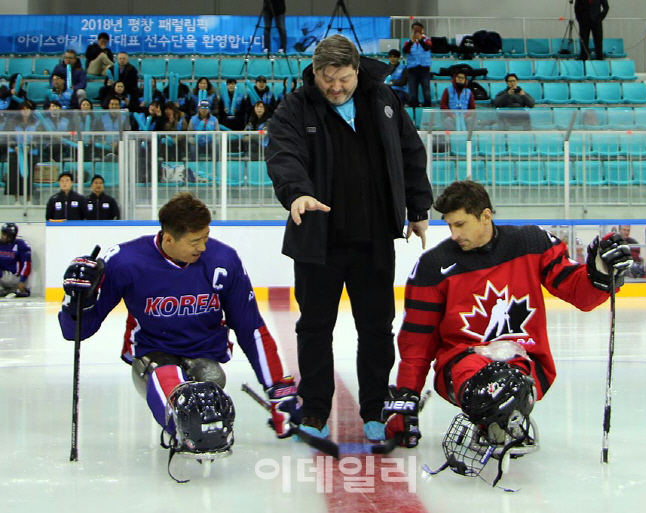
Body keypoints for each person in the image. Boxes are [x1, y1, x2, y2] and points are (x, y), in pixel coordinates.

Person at [382, 181, 633, 477]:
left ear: (485, 215)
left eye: (461, 224)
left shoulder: (531, 243)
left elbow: (579, 293)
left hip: (524, 359)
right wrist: (406, 398)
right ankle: (495, 421)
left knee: (508, 383)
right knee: (489, 384)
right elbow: (417, 340)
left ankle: (503, 420)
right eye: (450, 226)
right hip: (461, 362)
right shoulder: (433, 265)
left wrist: (600, 274)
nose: (454, 234)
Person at [266, 34, 433, 441]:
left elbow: (410, 153)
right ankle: (315, 409)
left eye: (342, 78)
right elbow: (283, 155)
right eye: (327, 79)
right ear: (315, 73)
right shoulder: (296, 107)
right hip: (318, 240)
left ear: (356, 70)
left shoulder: (384, 101)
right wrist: (298, 192)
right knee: (315, 328)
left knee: (376, 328)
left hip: (374, 238)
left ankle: (376, 407)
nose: (335, 87)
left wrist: (419, 208)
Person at [58, 193, 301, 460]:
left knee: (208, 381)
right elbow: (77, 332)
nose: (203, 248)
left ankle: (194, 425)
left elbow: (251, 328)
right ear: (168, 238)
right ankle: (182, 427)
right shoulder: (125, 261)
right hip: (153, 355)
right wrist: (77, 300)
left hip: (204, 357)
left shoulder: (225, 260)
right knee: (172, 383)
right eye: (195, 241)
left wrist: (278, 388)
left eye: (206, 237)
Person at [403, 22, 433, 107]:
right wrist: (411, 42)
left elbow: (427, 48)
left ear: (422, 30)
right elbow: (405, 50)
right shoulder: (408, 41)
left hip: (424, 69)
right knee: (413, 92)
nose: (416, 31)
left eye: (418, 29)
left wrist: (420, 40)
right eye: (414, 29)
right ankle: (414, 110)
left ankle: (427, 107)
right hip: (412, 70)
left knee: (426, 91)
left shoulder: (427, 40)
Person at [0, 222, 31, 298]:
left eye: (4, 234)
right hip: (2, 275)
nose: (2, 236)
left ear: (11, 236)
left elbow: (27, 264)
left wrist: (22, 280)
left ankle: (16, 289)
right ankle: (9, 290)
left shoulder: (20, 244)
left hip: (14, 277)